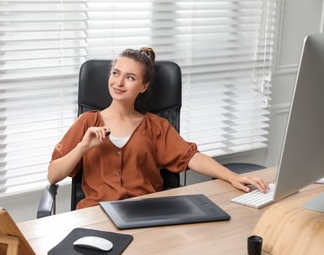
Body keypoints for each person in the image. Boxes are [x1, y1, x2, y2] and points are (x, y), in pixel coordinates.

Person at [48, 47, 269, 209]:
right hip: (95, 216)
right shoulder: (88, 122)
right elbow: (53, 176)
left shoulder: (155, 126)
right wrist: (83, 147)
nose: (119, 82)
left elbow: (191, 157)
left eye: (130, 77)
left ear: (143, 86)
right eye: (115, 73)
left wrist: (231, 176)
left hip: (146, 215)